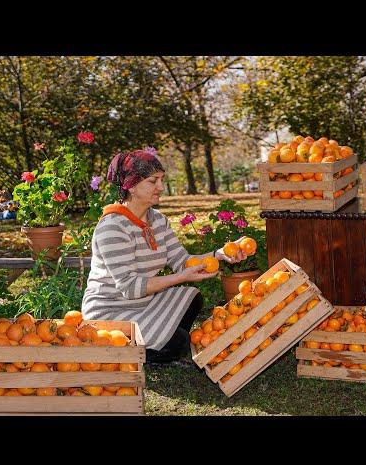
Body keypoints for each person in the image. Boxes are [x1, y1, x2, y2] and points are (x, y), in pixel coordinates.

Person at [81, 147, 247, 364]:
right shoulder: (112, 227)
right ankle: (143, 351)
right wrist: (182, 277)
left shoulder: (157, 220)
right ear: (131, 186)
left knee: (193, 297)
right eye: (153, 181)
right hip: (110, 311)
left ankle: (155, 339)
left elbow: (181, 260)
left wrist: (220, 254)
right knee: (179, 342)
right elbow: (130, 288)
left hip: (143, 305)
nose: (160, 187)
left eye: (161, 180)